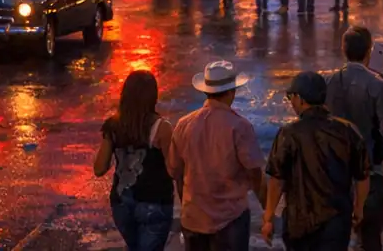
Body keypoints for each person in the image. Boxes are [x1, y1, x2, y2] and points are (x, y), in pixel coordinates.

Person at [262, 71, 368, 251]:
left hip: (299, 224)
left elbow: (277, 180)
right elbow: (362, 176)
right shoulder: (348, 130)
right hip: (337, 223)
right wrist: (359, 209)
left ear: (300, 99)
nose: (291, 102)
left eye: (290, 97)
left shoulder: (288, 134)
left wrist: (268, 217)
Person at [169, 62, 264, 251]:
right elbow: (255, 173)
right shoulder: (239, 126)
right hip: (230, 219)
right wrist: (267, 211)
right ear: (231, 92)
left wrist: (188, 204)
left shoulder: (183, 124)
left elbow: (176, 172)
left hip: (193, 218)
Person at [325, 28, 383, 251]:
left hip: (337, 171)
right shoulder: (378, 84)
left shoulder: (329, 82)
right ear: (368, 50)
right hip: (371, 168)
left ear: (343, 49)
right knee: (371, 238)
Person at [94, 70, 175, 251]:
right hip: (155, 204)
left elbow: (99, 169)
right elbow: (174, 170)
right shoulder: (161, 128)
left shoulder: (113, 125)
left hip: (122, 204)